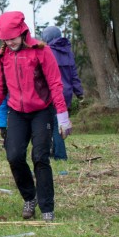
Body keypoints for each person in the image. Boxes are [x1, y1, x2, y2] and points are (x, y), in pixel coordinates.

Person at [0, 11, 71, 222]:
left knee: (40, 157)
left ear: (22, 32)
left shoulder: (41, 51)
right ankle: (30, 197)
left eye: (12, 38)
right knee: (14, 156)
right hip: (16, 112)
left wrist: (62, 116)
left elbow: (55, 84)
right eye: (5, 38)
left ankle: (47, 207)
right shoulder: (2, 57)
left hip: (41, 110)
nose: (9, 42)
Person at [41, 25, 84, 161]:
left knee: (53, 126)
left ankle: (60, 155)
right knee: (61, 122)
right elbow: (74, 75)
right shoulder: (68, 52)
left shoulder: (47, 52)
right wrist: (79, 92)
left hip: (52, 94)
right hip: (67, 94)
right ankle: (55, 151)